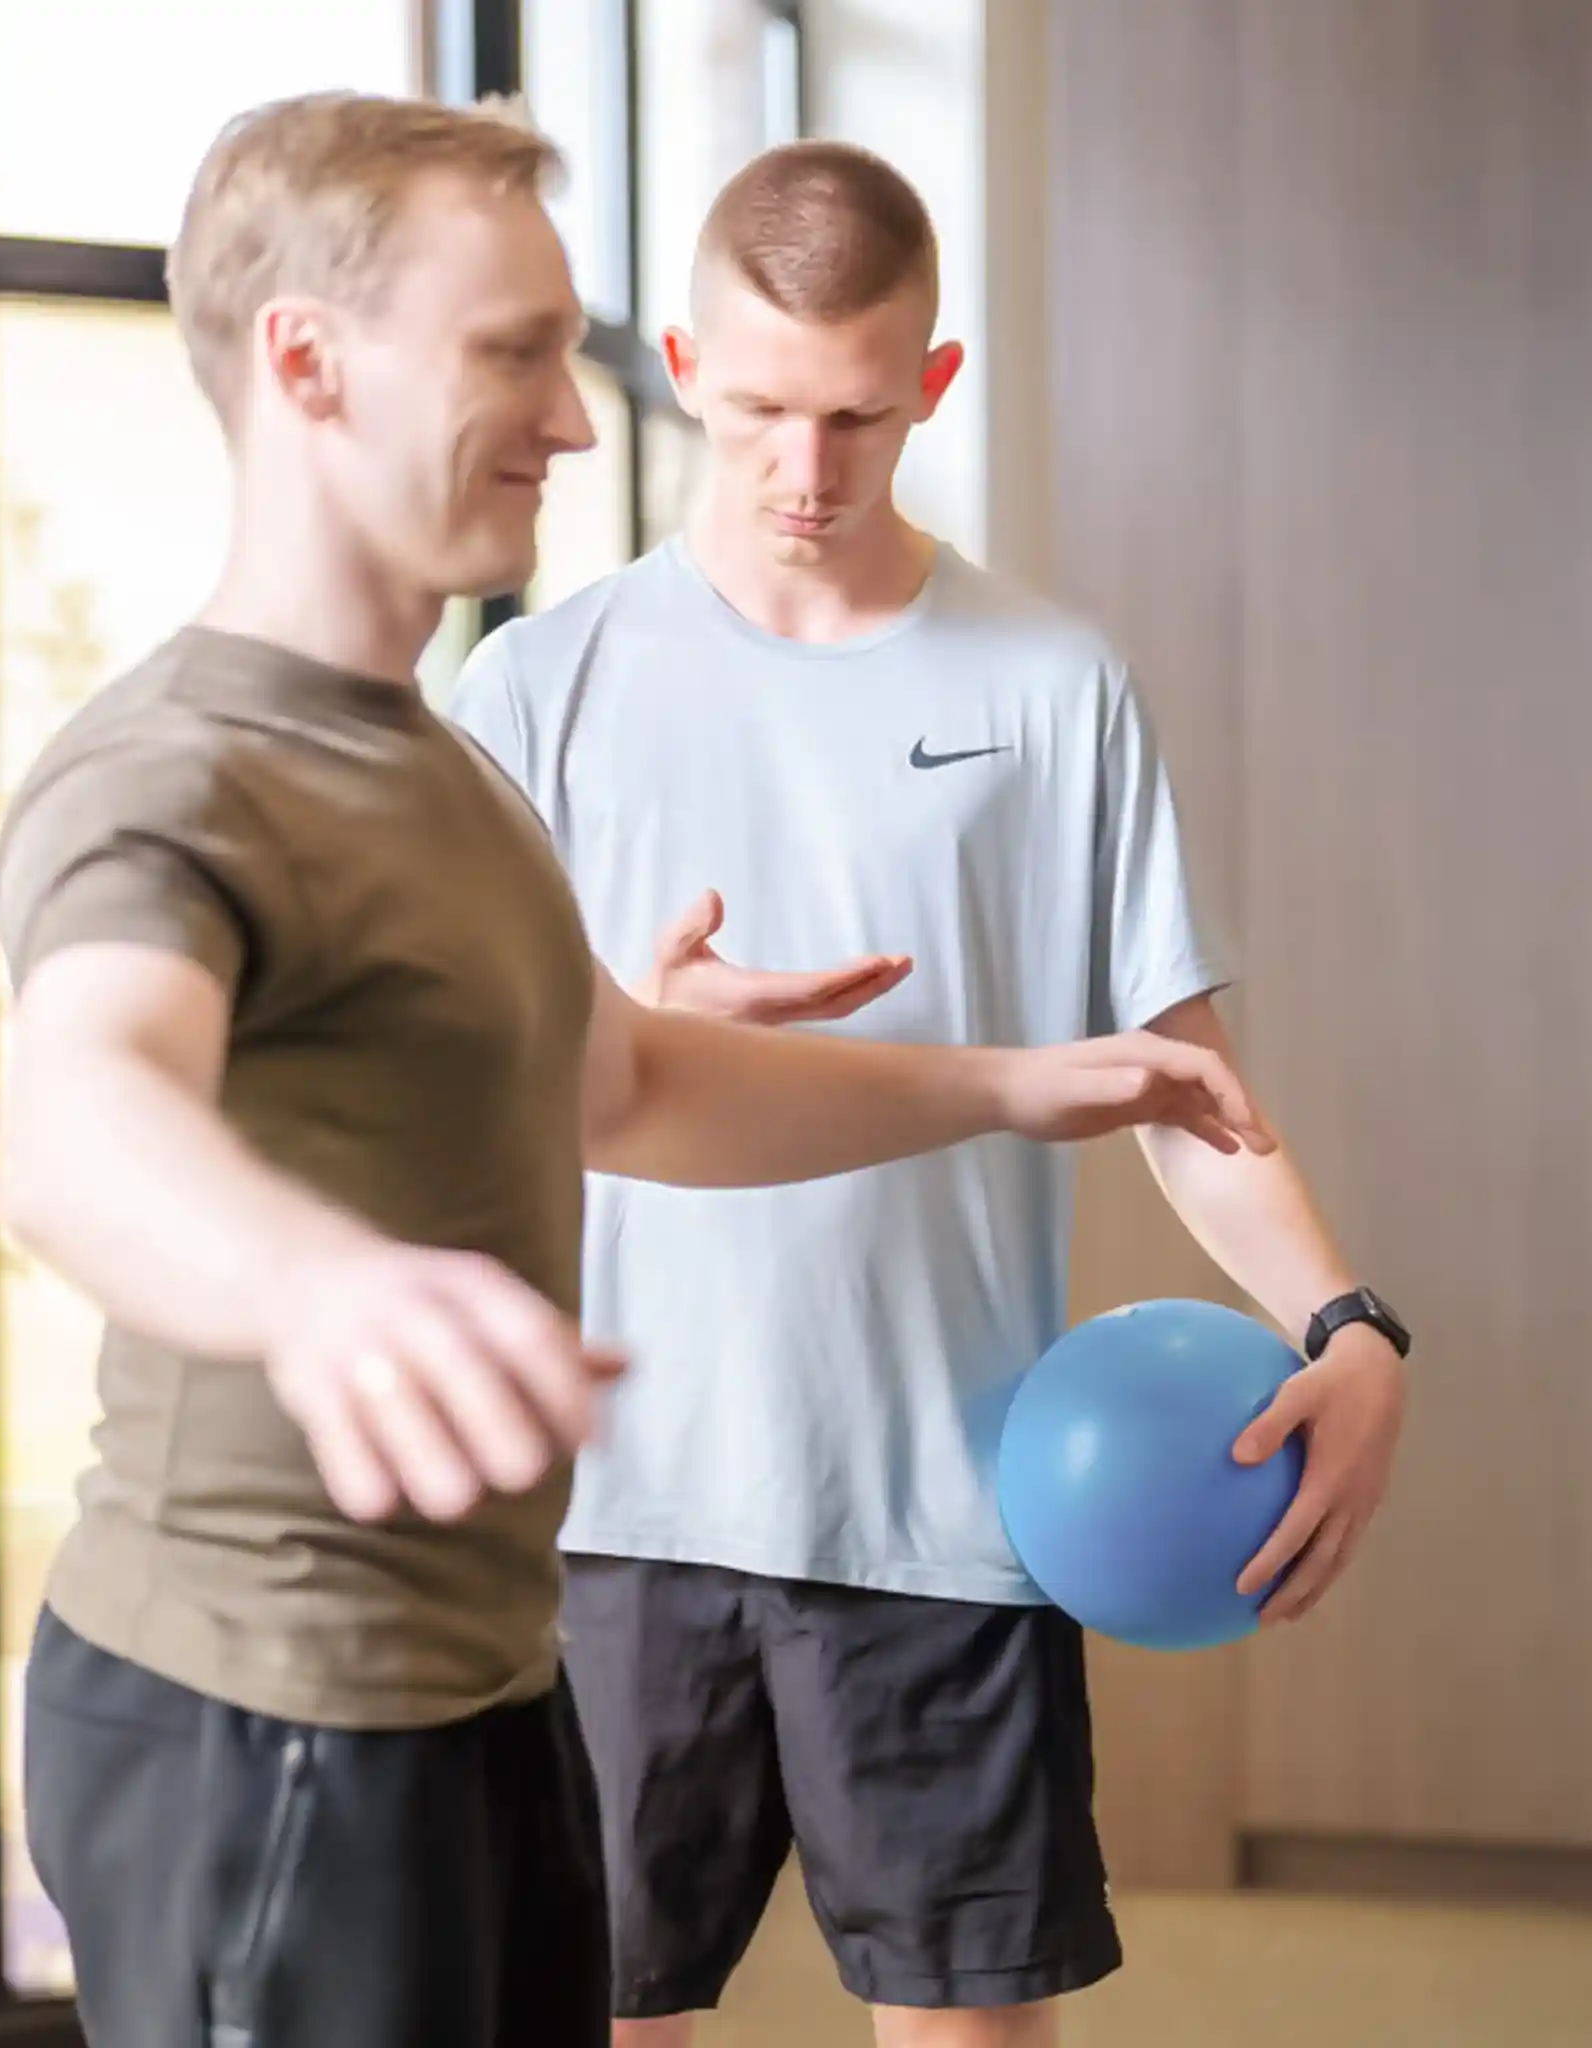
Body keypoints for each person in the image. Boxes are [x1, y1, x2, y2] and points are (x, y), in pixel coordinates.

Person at [0, 94, 1274, 2048]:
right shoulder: (183, 770)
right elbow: (79, 1117)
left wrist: (1014, 1088)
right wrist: (311, 1280)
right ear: (307, 365)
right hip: (269, 1709)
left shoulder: (428, 762)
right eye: (516, 353)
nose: (583, 422)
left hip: (477, 1684)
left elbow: (633, 1091)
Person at [446, 140, 1413, 2048]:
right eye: (764, 416)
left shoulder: (1055, 686)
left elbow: (1178, 1082)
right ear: (681, 365)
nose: (808, 474)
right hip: (615, 1517)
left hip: (948, 1510)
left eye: (863, 421)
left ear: (934, 386)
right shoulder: (534, 693)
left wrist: (1346, 1319)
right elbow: (470, 1101)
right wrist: (642, 1027)